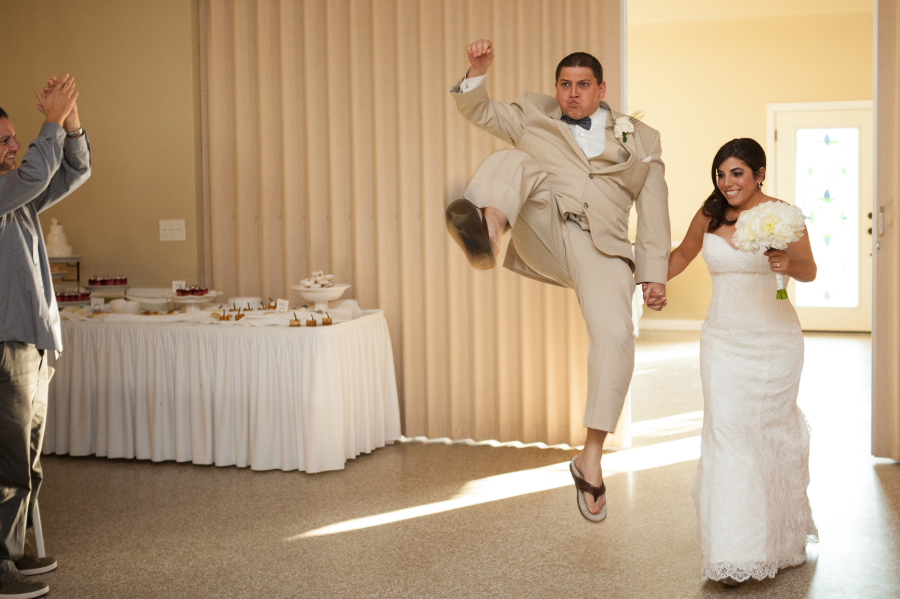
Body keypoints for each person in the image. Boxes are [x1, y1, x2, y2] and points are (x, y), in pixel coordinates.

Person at [445, 40, 670, 522]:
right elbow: (479, 110)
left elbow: (654, 213)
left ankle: (590, 457)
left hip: (604, 247)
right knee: (520, 160)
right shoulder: (532, 115)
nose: (572, 94)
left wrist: (655, 277)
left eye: (583, 85)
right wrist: (478, 71)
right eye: (565, 85)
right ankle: (488, 227)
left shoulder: (642, 140)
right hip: (543, 225)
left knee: (615, 337)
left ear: (601, 89)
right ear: (556, 89)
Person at [667, 138, 818, 585]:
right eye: (721, 173)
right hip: (723, 342)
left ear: (759, 174)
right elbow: (681, 255)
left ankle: (779, 540)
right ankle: (734, 553)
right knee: (727, 434)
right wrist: (646, 278)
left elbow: (810, 269)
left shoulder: (784, 214)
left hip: (775, 342)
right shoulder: (710, 212)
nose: (727, 182)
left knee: (767, 434)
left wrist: (786, 261)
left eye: (736, 173)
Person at [0, 75, 91, 599]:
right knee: (6, 460)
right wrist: (49, 122)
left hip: (34, 345)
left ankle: (16, 548)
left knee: (29, 457)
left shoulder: (21, 197)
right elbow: (37, 170)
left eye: (16, 137)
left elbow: (71, 171)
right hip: (6, 346)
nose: (15, 146)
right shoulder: (9, 190)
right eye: (5, 139)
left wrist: (71, 122)